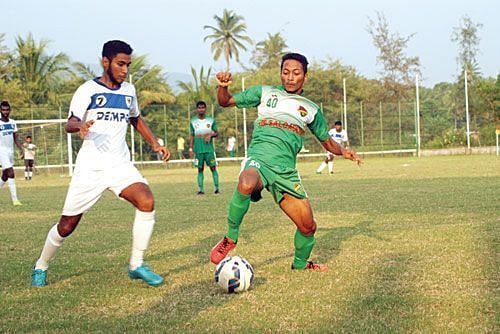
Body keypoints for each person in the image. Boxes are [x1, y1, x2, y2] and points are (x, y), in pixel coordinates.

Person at [31, 40, 171, 287]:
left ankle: (136, 265)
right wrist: (81, 126)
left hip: (119, 165)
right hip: (90, 168)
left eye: (128, 65)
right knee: (66, 226)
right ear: (105, 62)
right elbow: (70, 122)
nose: (125, 70)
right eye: (120, 64)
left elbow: (135, 119)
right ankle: (41, 266)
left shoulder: (129, 91)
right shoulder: (87, 90)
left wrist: (155, 143)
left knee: (146, 200)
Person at [210, 53, 362, 271]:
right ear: (281, 74)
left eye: (296, 73)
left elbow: (327, 142)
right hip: (259, 160)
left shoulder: (310, 109)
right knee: (246, 181)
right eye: (286, 72)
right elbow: (225, 101)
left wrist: (345, 152)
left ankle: (300, 265)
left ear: (305, 77)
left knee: (308, 227)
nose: (290, 77)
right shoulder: (264, 93)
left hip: (286, 173)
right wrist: (222, 87)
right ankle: (230, 238)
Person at [189, 101, 220, 195]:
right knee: (200, 169)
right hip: (198, 150)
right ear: (197, 109)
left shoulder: (211, 120)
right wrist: (190, 148)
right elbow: (191, 135)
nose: (201, 109)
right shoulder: (193, 121)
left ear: (205, 109)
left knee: (213, 168)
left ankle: (217, 189)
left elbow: (217, 132)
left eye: (203, 107)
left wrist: (210, 135)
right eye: (199, 107)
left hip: (209, 149)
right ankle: (201, 190)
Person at [0, 101, 23, 205]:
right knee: (11, 172)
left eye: (7, 110)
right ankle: (15, 200)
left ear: (10, 110)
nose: (5, 112)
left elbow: (15, 138)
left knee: (5, 176)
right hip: (1, 151)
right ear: (0, 110)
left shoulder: (12, 122)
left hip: (10, 151)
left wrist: (21, 149)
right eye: (3, 110)